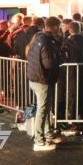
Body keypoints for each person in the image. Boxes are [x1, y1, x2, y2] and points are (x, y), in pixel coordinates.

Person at [26, 16, 62, 151]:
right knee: (42, 109)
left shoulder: (38, 38)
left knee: (45, 108)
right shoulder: (47, 41)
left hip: (36, 78)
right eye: (59, 27)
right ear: (55, 27)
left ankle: (46, 134)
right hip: (42, 79)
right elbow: (48, 63)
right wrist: (59, 59)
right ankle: (39, 141)